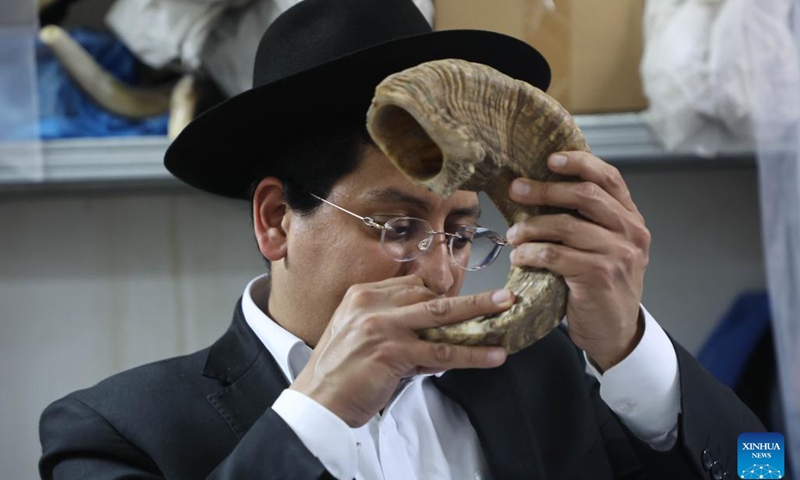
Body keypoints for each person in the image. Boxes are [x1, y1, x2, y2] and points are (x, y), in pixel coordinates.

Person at [38, 0, 765, 479]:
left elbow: (761, 466)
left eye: (457, 231)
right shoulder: (117, 431)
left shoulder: (545, 381)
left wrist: (633, 351)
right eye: (399, 226)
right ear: (274, 220)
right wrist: (316, 413)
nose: (443, 275)